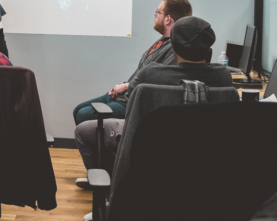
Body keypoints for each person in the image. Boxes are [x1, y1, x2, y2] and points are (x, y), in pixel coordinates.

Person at [73, 16, 232, 197]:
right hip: (203, 149)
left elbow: (131, 96)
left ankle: (109, 184)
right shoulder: (223, 76)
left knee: (82, 130)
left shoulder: (151, 73)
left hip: (148, 144)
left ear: (173, 48)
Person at [71, 0, 192, 126]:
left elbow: (159, 83)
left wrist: (126, 86)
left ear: (168, 19)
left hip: (132, 104)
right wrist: (123, 87)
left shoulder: (175, 49)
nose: (154, 14)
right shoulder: (162, 41)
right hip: (124, 95)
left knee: (83, 114)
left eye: (158, 11)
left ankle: (113, 145)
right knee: (77, 110)